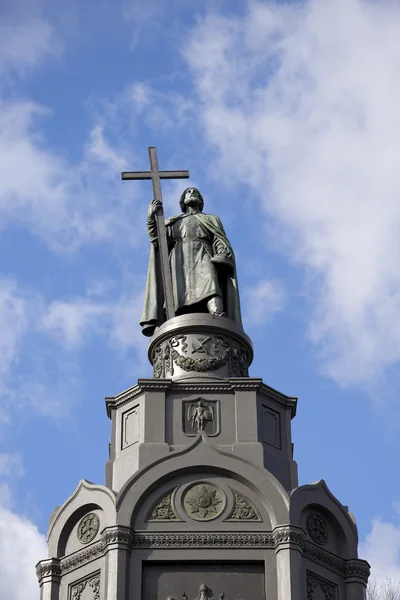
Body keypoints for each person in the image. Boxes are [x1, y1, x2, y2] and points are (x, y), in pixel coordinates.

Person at [140, 187, 242, 336]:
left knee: (210, 282)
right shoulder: (174, 222)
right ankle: (173, 322)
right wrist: (151, 217)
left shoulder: (211, 219)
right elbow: (158, 240)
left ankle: (218, 314)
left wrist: (222, 253)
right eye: (188, 192)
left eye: (196, 192)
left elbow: (219, 239)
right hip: (178, 259)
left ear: (201, 201)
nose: (192, 193)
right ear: (183, 201)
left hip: (203, 253)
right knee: (177, 292)